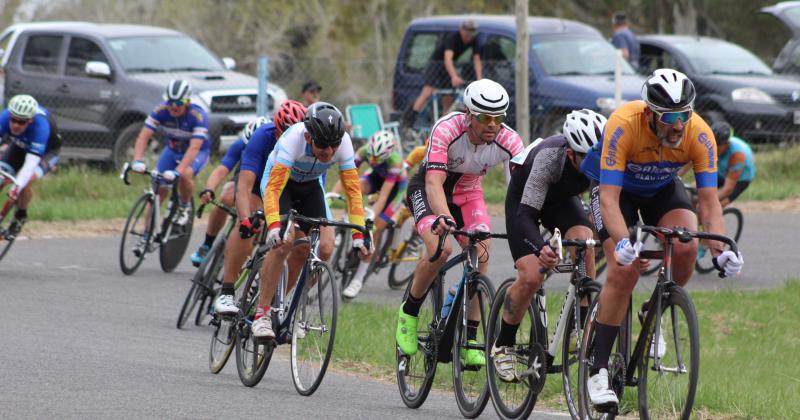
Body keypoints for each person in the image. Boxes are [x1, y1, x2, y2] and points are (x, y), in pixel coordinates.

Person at [579, 68, 744, 411]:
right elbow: (608, 198)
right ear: (650, 113)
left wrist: (720, 249)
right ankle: (598, 370)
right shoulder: (624, 123)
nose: (679, 124)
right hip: (615, 190)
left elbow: (710, 202)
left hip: (660, 189)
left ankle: (652, 312)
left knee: (686, 244)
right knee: (624, 271)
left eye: (685, 114)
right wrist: (623, 244)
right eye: (670, 117)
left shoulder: (699, 134)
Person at [396, 78, 524, 367]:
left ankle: (469, 339)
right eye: (484, 117)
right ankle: (409, 311)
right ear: (468, 115)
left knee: (482, 253)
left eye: (499, 118)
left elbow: (519, 190)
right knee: (439, 249)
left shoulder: (510, 140)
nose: (493, 124)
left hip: (468, 191)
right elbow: (433, 181)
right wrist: (443, 217)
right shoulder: (447, 128)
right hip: (430, 190)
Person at [491, 109, 607, 382]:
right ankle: (503, 344)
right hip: (525, 202)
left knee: (584, 242)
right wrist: (540, 247)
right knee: (532, 275)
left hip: (562, 200)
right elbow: (526, 215)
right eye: (587, 159)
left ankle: (579, 323)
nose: (595, 165)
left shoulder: (600, 160)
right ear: (570, 154)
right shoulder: (549, 158)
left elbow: (604, 208)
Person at [250, 102, 370, 339]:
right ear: (308, 135)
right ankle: (261, 315)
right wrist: (275, 226)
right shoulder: (293, 139)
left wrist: (359, 235)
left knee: (324, 248)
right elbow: (273, 190)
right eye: (322, 145)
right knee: (285, 241)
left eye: (333, 145)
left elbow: (353, 193)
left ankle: (287, 303)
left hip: (311, 187)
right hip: (281, 185)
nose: (328, 151)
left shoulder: (343, 143)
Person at [213, 100, 308, 315]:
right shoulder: (262, 137)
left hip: (287, 186)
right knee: (248, 222)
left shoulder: (305, 143)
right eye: (283, 133)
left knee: (299, 241)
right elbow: (245, 185)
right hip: (257, 183)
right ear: (276, 129)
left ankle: (276, 301)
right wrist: (246, 218)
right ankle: (227, 292)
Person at [130, 79, 209, 248]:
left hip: (197, 151)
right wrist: (137, 160)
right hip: (173, 150)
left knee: (185, 174)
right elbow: (143, 136)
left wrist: (178, 171)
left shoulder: (198, 116)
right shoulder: (160, 110)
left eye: (179, 103)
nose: (174, 106)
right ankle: (146, 236)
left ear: (187, 102)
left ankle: (184, 206)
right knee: (158, 190)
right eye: (171, 102)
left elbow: (195, 147)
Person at [332, 129, 408, 298]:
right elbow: (345, 177)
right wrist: (333, 196)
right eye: (371, 156)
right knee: (355, 187)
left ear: (388, 154)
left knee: (373, 229)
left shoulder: (395, 162)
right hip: (375, 178)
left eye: (377, 158)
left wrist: (371, 218)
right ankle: (344, 222)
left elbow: (384, 197)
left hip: (395, 190)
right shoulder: (364, 150)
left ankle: (358, 279)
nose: (372, 160)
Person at [189, 116, 269, 266]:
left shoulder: (274, 150)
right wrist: (209, 190)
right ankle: (207, 244)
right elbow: (220, 171)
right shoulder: (240, 145)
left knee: (257, 219)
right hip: (244, 177)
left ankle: (245, 258)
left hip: (264, 184)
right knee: (225, 198)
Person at [402, 19, 483, 129]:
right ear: (461, 30)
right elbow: (447, 59)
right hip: (436, 64)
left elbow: (476, 60)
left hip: (447, 68)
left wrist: (479, 79)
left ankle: (443, 125)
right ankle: (409, 122)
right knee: (427, 92)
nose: (469, 38)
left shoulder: (474, 40)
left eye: (471, 35)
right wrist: (454, 76)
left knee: (448, 96)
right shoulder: (452, 38)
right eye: (467, 34)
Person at [0, 94, 61, 239]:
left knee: (24, 182)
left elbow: (30, 165)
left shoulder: (41, 127)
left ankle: (20, 215)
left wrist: (17, 187)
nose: (16, 125)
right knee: (2, 177)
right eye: (13, 120)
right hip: (19, 147)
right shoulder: (4, 117)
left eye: (21, 122)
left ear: (30, 120)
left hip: (46, 153)